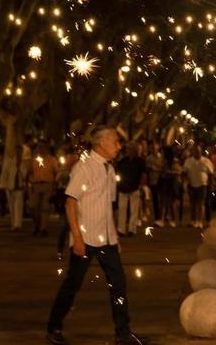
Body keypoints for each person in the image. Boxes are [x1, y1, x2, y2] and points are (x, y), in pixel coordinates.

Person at [46, 126, 147, 345]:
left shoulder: (109, 170)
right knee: (73, 283)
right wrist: (77, 238)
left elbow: (105, 207)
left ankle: (123, 332)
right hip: (86, 236)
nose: (118, 146)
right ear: (101, 143)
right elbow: (70, 202)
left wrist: (114, 237)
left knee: (118, 283)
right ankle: (54, 326)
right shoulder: (85, 167)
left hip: (106, 238)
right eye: (115, 142)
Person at [27, 142, 60, 236]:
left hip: (47, 184)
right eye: (39, 148)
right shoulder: (34, 160)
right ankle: (37, 225)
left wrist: (55, 183)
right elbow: (29, 172)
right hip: (36, 185)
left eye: (43, 148)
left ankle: (43, 228)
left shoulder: (52, 160)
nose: (41, 150)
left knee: (45, 207)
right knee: (33, 206)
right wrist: (29, 183)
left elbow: (56, 172)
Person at [116, 142, 146, 236]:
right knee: (122, 209)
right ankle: (121, 229)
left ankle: (131, 229)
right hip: (123, 187)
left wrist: (141, 186)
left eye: (131, 149)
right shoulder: (122, 161)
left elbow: (143, 174)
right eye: (128, 149)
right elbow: (118, 172)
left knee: (134, 210)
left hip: (134, 187)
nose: (129, 151)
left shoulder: (140, 161)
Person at [183, 146, 213, 228]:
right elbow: (184, 172)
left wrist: (211, 185)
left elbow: (210, 174)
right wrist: (186, 182)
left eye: (198, 151)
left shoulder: (206, 161)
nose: (197, 153)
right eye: (195, 151)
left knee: (201, 203)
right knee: (192, 203)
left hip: (203, 184)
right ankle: (193, 220)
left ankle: (200, 221)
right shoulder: (188, 161)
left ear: (201, 152)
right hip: (192, 184)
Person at [0, 145, 27, 231]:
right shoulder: (9, 161)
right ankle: (13, 223)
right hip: (10, 186)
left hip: (19, 186)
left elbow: (24, 174)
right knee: (11, 205)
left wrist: (20, 169)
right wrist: (3, 185)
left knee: (18, 205)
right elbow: (4, 174)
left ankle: (18, 224)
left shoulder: (22, 163)